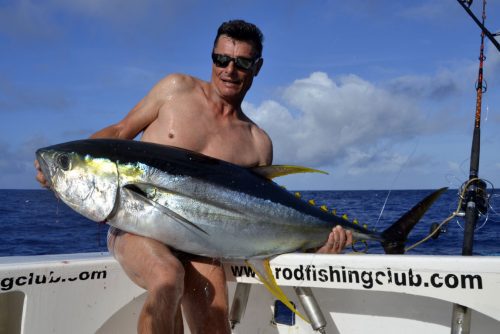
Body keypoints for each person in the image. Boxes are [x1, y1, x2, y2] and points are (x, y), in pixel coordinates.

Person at [35, 20, 352, 334]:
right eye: (221, 59)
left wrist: (317, 247)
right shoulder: (176, 90)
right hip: (138, 229)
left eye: (242, 63)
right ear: (212, 56)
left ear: (257, 67)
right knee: (166, 277)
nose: (229, 69)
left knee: (215, 327)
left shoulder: (257, 142)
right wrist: (71, 168)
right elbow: (120, 132)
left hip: (202, 243)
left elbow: (260, 223)